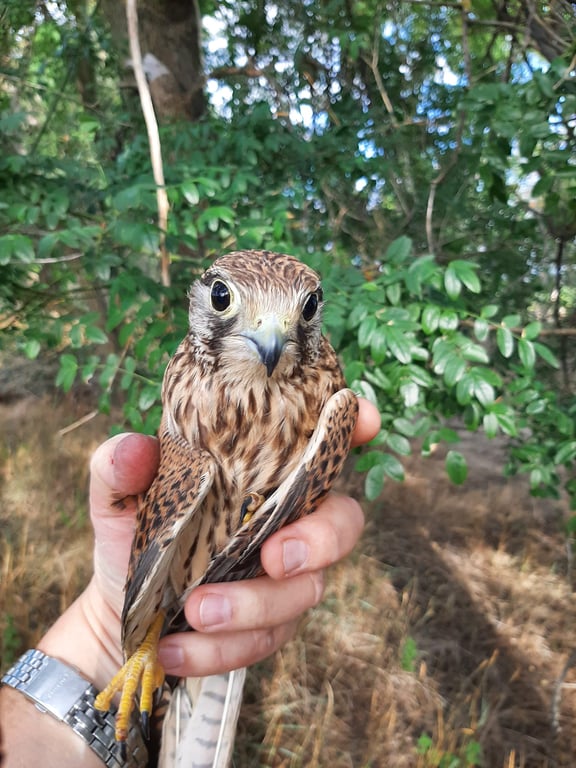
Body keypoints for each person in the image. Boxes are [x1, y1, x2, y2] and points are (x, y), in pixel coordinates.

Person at [0, 399, 379, 767]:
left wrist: (104, 624)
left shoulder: (329, 401)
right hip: (169, 602)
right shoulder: (190, 383)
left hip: (223, 606)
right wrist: (139, 634)